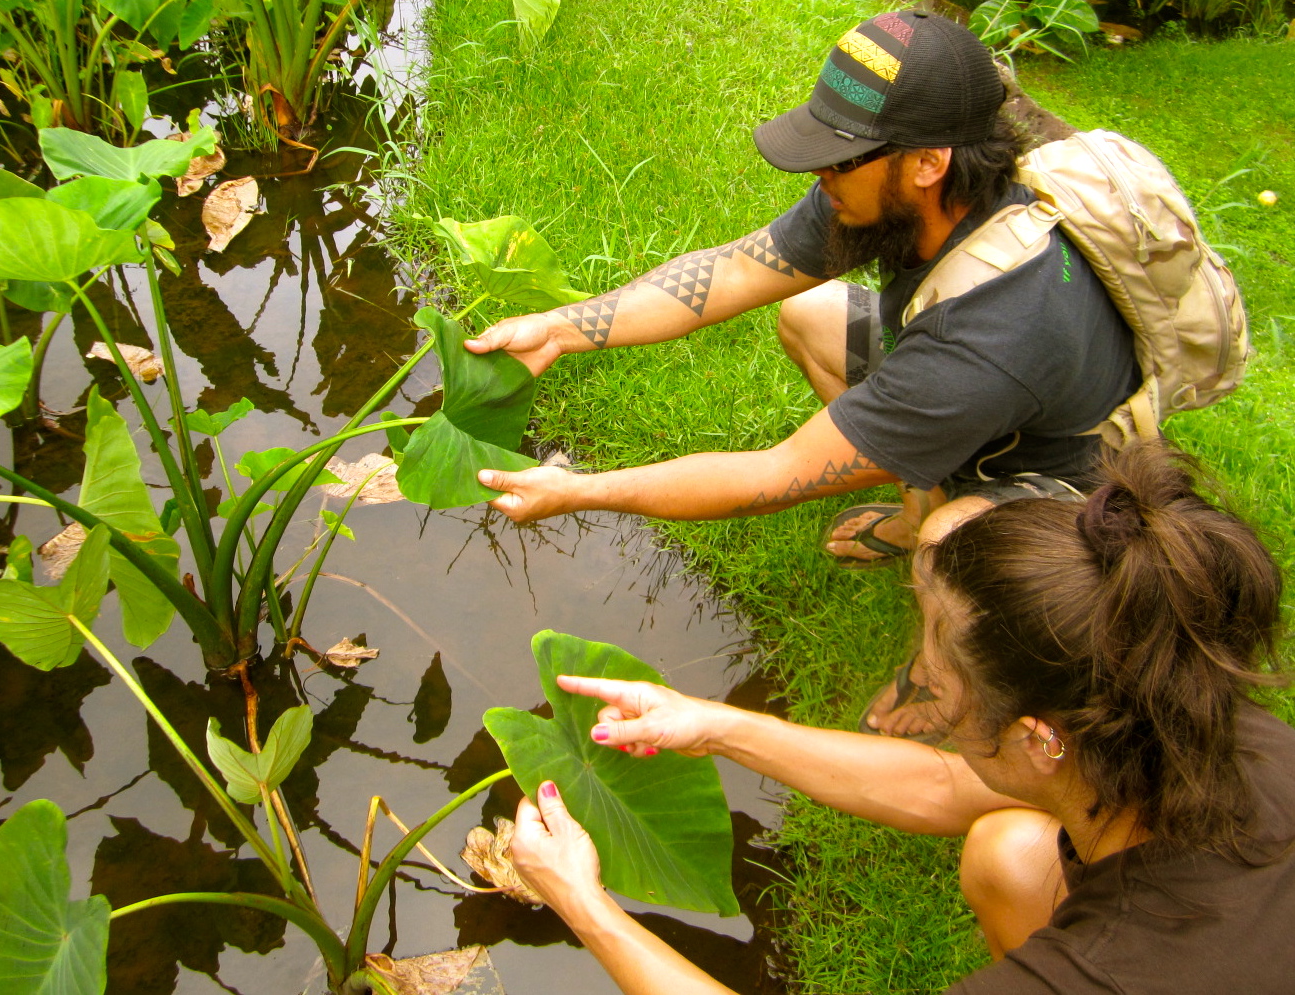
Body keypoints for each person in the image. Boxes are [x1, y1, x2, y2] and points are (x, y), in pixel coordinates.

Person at [466, 10, 1139, 736]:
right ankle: (915, 509)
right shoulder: (900, 198)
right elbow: (731, 272)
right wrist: (561, 329)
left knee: (951, 541)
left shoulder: (989, 338)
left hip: (1064, 476)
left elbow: (767, 478)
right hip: (977, 396)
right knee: (811, 315)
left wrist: (577, 492)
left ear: (925, 162)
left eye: (839, 157)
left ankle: (938, 675)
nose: (821, 174)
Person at [508, 440, 1295, 993]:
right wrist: (709, 723)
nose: (922, 677)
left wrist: (583, 901)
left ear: (1036, 736)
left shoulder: (1112, 972)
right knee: (1009, 852)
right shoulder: (1201, 724)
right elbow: (950, 790)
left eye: (939, 671)